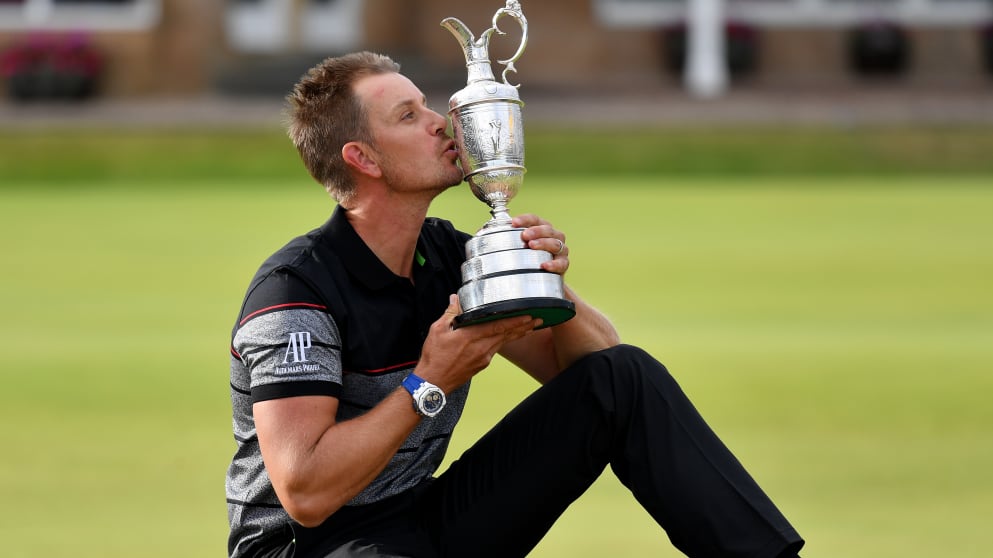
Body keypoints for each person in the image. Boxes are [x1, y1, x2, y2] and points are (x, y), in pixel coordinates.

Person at [226, 51, 804, 558]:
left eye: (426, 106)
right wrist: (430, 381)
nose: (440, 123)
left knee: (623, 377)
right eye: (409, 116)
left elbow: (594, 370)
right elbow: (305, 494)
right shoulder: (296, 292)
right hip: (307, 545)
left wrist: (544, 278)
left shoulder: (452, 255)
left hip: (419, 513)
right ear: (364, 159)